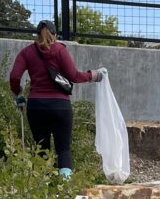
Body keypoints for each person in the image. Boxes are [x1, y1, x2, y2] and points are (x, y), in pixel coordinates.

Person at [8, 20, 107, 179]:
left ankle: (43, 187)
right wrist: (94, 75)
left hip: (36, 107)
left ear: (37, 34)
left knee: (41, 148)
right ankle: (65, 187)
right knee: (63, 149)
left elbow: (14, 76)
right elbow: (74, 76)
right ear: (55, 34)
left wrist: (18, 95)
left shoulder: (26, 52)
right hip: (60, 106)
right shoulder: (60, 50)